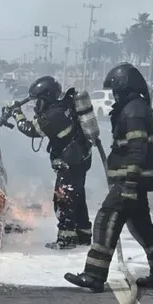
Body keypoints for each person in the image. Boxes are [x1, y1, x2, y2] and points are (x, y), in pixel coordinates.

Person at [64, 63, 153, 293]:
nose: (113, 94)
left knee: (106, 220)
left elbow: (137, 149)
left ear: (124, 85)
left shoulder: (134, 110)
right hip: (130, 180)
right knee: (141, 225)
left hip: (129, 181)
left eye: (115, 89)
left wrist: (130, 183)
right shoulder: (133, 107)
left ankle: (94, 275)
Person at [10, 76, 92, 249]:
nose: (36, 105)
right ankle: (83, 236)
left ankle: (66, 239)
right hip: (80, 159)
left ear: (45, 98)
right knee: (77, 197)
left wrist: (16, 113)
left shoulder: (55, 115)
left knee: (64, 200)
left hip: (70, 162)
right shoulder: (64, 106)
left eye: (38, 100)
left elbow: (31, 129)